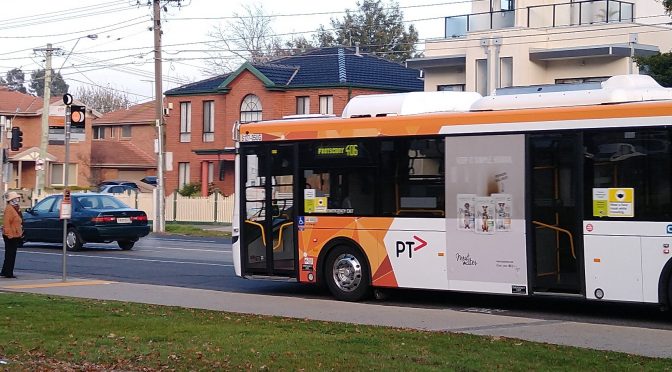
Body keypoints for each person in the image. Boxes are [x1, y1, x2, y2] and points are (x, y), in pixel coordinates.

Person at [1, 191, 23, 279]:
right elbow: (6, 223)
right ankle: (8, 273)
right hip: (10, 236)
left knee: (10, 254)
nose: (17, 200)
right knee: (10, 254)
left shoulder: (15, 208)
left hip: (15, 235)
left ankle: (5, 271)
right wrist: (9, 235)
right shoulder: (9, 209)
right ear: (11, 200)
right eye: (15, 198)